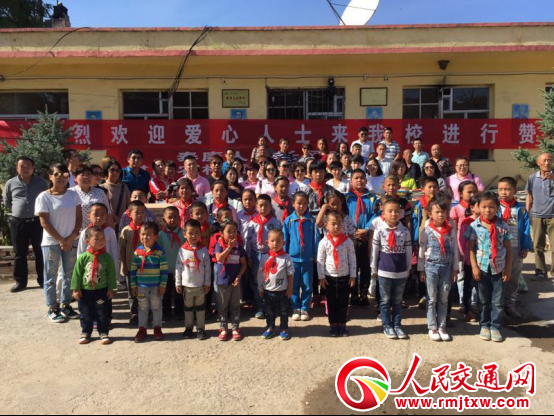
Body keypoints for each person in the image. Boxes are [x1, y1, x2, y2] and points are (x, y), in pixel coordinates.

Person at [35, 163, 82, 323]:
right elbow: (44, 222)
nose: (61, 178)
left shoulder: (73, 195)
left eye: (65, 175)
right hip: (51, 242)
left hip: (71, 240)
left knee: (69, 274)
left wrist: (72, 237)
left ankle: (66, 305)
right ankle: (52, 308)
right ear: (50, 176)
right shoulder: (43, 197)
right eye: (57, 174)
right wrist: (62, 240)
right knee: (51, 276)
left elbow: (79, 218)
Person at [465, 192, 512, 343]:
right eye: (484, 206)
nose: (487, 210)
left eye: (491, 207)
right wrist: (474, 267)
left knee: (498, 300)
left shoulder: (503, 226)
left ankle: (495, 326)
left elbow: (508, 249)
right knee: (483, 299)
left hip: (499, 268)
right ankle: (484, 324)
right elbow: (471, 249)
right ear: (478, 207)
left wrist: (508, 268)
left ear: (497, 208)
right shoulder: (474, 226)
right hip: (482, 268)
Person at [3, 156, 48, 293]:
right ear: (17, 168)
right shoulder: (10, 183)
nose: (26, 168)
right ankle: (20, 282)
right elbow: (7, 201)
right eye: (22, 166)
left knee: (40, 252)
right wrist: (19, 211)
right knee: (19, 253)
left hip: (37, 222)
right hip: (18, 223)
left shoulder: (42, 183)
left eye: (28, 165)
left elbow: (47, 199)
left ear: (33, 167)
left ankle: (43, 280)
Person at [418, 199, 459, 342]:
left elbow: (454, 250)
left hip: (446, 267)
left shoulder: (451, 231)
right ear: (430, 214)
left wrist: (455, 269)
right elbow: (422, 251)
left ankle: (442, 326)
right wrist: (421, 270)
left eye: (443, 212)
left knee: (443, 299)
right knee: (431, 298)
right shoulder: (426, 231)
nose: (440, 215)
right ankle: (432, 327)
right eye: (437, 212)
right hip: (431, 267)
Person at [371, 197, 412, 340]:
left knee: (398, 301)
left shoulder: (405, 231)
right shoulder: (379, 230)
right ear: (383, 212)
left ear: (401, 213)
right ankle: (387, 325)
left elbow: (408, 252)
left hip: (400, 272)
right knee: (385, 301)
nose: (393, 214)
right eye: (390, 211)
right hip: (384, 272)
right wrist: (373, 268)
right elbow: (375, 251)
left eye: (396, 211)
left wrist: (408, 269)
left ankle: (397, 325)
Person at [71, 226, 117, 345]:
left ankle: (103, 332)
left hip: (101, 290)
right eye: (97, 239)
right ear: (87, 241)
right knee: (85, 313)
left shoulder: (107, 258)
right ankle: (85, 332)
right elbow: (77, 274)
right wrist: (76, 289)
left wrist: (111, 288)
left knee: (102, 313)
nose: (101, 241)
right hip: (85, 291)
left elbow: (111, 274)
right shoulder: (83, 257)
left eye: (103, 238)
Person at [318, 210, 357, 337]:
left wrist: (353, 275)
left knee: (343, 303)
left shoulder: (348, 242)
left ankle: (342, 325)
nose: (336, 226)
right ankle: (333, 325)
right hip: (329, 278)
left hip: (344, 277)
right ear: (326, 225)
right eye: (333, 224)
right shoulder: (324, 242)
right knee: (331, 303)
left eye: (339, 223)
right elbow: (320, 261)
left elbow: (352, 259)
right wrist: (321, 277)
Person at [498, 177, 532, 319]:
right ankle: (498, 305)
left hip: (516, 248)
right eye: (500, 189)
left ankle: (510, 303)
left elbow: (526, 229)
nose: (503, 192)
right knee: (498, 277)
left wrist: (525, 247)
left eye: (507, 189)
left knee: (513, 277)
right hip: (499, 248)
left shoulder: (521, 209)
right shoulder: (495, 207)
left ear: (514, 190)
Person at [245, 195, 282, 319]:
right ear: (256, 207)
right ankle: (260, 307)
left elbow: (279, 239)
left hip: (270, 254)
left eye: (266, 205)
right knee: (257, 281)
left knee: (272, 280)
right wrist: (249, 256)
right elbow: (248, 240)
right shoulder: (252, 223)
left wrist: (277, 255)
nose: (263, 208)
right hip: (256, 254)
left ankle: (272, 307)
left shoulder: (275, 222)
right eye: (260, 205)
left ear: (271, 207)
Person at [131, 222, 168, 343]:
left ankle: (157, 327)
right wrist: (133, 285)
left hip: (156, 287)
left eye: (148, 235)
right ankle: (142, 329)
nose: (145, 237)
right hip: (141, 287)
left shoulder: (160, 252)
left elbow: (164, 271)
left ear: (156, 237)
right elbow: (133, 270)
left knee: (156, 307)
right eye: (142, 234)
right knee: (142, 307)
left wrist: (163, 285)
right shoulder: (137, 252)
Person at [346, 170, 378, 308]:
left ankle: (363, 295)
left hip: (366, 237)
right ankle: (353, 295)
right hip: (350, 237)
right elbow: (344, 215)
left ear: (366, 180)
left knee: (365, 267)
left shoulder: (372, 198)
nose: (359, 180)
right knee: (352, 267)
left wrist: (366, 229)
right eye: (356, 178)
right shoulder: (346, 198)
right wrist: (353, 231)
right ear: (351, 181)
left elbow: (376, 214)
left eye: (362, 178)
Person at [283, 192, 317, 322]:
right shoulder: (289, 221)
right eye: (298, 203)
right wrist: (284, 256)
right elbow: (285, 239)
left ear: (308, 204)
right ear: (293, 204)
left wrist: (315, 254)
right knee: (293, 285)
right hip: (293, 260)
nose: (301, 206)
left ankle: (305, 308)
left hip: (308, 259)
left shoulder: (312, 221)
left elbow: (315, 239)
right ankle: (296, 308)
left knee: (307, 285)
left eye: (304, 203)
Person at [176, 219, 211, 341]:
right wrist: (178, 282)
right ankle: (188, 327)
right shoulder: (182, 250)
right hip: (187, 286)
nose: (193, 236)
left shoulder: (203, 249)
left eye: (196, 233)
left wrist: (207, 282)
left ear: (200, 234)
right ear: (184, 234)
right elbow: (178, 267)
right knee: (188, 309)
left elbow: (207, 267)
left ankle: (200, 328)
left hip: (200, 285)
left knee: (201, 308)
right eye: (190, 233)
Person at [258, 229, 294, 340]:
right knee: (269, 312)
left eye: (278, 241)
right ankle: (270, 328)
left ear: (283, 243)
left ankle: (284, 329)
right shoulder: (265, 258)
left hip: (282, 291)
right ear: (267, 242)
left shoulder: (286, 258)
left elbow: (291, 274)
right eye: (272, 241)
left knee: (284, 311)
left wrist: (289, 288)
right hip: (268, 291)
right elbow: (260, 274)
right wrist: (260, 288)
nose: (275, 244)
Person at [215, 220, 247, 342]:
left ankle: (235, 327)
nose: (232, 234)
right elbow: (219, 258)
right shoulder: (219, 245)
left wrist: (239, 276)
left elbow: (243, 264)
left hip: (235, 282)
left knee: (235, 305)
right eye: (229, 231)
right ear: (221, 233)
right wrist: (229, 248)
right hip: (223, 281)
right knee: (223, 305)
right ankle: (223, 327)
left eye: (234, 231)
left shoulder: (239, 247)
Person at [525, 153, 554, 281]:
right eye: (544, 160)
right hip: (537, 215)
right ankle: (540, 272)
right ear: (538, 163)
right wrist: (527, 212)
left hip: (553, 215)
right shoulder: (532, 178)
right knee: (537, 246)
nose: (547, 163)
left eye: (549, 160)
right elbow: (529, 195)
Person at [119, 200, 147, 324]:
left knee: (145, 289)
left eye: (143, 212)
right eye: (137, 212)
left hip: (146, 266)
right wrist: (124, 265)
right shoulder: (126, 230)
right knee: (132, 290)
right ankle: (134, 313)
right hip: (130, 266)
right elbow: (122, 248)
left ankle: (145, 311)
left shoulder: (147, 230)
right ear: (129, 214)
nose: (140, 215)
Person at [159, 206, 186, 322]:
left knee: (179, 292)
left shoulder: (184, 234)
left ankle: (179, 312)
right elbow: (158, 251)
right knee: (165, 293)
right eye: (169, 217)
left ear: (179, 219)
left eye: (175, 217)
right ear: (163, 219)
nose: (172, 219)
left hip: (180, 269)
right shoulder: (160, 235)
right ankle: (166, 312)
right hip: (165, 269)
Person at [458, 195, 481, 322]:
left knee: (481, 286)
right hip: (469, 259)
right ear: (472, 207)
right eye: (481, 206)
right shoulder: (466, 222)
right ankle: (466, 309)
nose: (484, 209)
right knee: (468, 285)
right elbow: (462, 241)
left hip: (483, 260)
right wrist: (465, 257)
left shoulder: (488, 221)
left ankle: (478, 308)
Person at [72, 166, 113, 231]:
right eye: (82, 174)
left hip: (98, 233)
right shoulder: (70, 193)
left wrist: (111, 232)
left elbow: (108, 213)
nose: (86, 177)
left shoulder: (100, 192)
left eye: (88, 174)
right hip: (77, 233)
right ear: (75, 177)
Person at [101, 161, 130, 235]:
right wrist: (115, 218)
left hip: (123, 225)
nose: (115, 173)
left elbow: (129, 206)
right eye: (112, 170)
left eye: (117, 170)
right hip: (107, 226)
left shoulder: (124, 187)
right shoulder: (101, 188)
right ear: (106, 171)